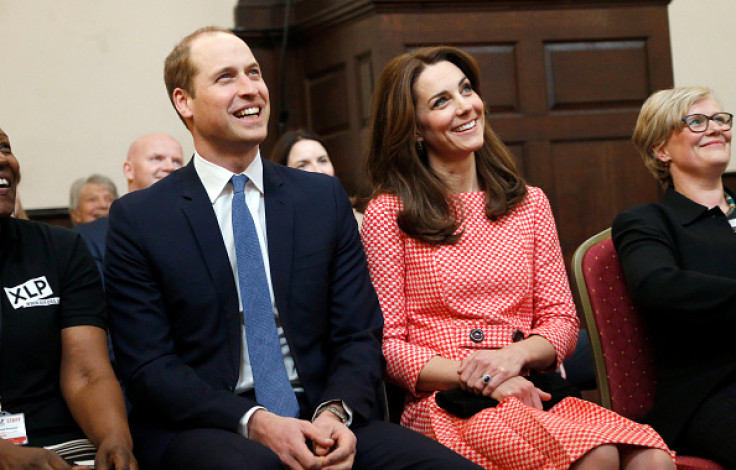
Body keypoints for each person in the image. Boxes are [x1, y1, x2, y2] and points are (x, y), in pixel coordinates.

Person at [103, 27, 483, 470]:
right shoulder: (140, 218)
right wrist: (256, 421)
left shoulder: (321, 198)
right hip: (209, 425)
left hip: (323, 413)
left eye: (254, 73)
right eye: (226, 78)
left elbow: (357, 334)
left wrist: (335, 413)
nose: (250, 89)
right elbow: (149, 367)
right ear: (184, 101)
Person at [360, 46, 674, 470]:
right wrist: (487, 378)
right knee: (594, 454)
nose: (465, 106)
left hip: (531, 385)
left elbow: (562, 321)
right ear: (414, 129)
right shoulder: (390, 213)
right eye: (441, 101)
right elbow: (387, 347)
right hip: (447, 402)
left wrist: (514, 360)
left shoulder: (529, 203)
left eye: (466, 89)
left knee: (651, 456)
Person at [612, 86, 736, 467]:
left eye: (720, 119)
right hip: (711, 390)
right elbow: (657, 285)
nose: (715, 128)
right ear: (661, 150)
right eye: (696, 122)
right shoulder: (647, 222)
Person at [0, 127, 136, 469]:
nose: (2, 159)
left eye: (4, 147)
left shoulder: (61, 248)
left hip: (60, 440)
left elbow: (87, 372)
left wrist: (115, 439)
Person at [76, 133, 184, 277]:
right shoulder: (89, 236)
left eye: (177, 161)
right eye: (157, 159)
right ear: (129, 170)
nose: (169, 167)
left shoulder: (197, 223)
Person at [270, 129, 363, 228]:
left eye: (323, 161)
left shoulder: (360, 224)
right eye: (303, 165)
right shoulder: (275, 227)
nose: (318, 171)